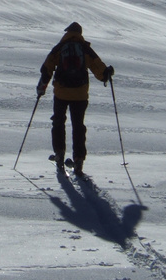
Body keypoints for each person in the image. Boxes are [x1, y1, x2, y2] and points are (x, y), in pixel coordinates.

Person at [36, 22, 113, 176]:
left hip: (61, 93)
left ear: (68, 32)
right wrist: (107, 74)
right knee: (78, 126)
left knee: (58, 122)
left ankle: (59, 154)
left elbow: (47, 69)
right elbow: (98, 68)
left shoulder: (60, 47)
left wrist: (41, 88)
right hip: (80, 93)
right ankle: (78, 159)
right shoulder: (85, 48)